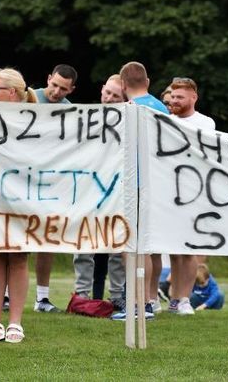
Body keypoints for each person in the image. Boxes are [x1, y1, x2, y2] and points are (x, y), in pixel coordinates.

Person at [111, 61, 169, 321]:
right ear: (147, 82)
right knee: (144, 245)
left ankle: (139, 304)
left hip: (132, 184)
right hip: (155, 183)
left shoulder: (128, 110)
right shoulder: (161, 107)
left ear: (123, 85)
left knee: (133, 247)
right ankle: (146, 302)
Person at [0, 68, 38, 343]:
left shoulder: (38, 122)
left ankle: (15, 321)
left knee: (18, 257)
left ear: (13, 93)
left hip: (25, 199)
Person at [72, 74, 127, 310]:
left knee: (117, 245)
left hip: (115, 189)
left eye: (116, 96)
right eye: (108, 93)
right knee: (84, 242)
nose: (110, 98)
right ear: (102, 90)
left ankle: (117, 294)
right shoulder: (86, 117)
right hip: (87, 188)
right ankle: (82, 294)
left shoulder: (128, 120)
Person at [31, 64, 78, 313]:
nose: (56, 91)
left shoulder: (69, 111)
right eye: (54, 84)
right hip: (19, 177)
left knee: (46, 239)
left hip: (50, 182)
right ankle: (6, 295)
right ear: (48, 79)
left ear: (71, 89)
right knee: (10, 238)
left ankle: (42, 297)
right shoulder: (27, 97)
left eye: (63, 88)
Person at [167, 77, 215, 316]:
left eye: (180, 97)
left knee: (187, 249)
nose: (175, 101)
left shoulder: (205, 123)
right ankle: (174, 298)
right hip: (168, 190)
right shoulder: (165, 120)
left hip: (193, 191)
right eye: (173, 96)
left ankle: (184, 297)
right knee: (172, 249)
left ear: (193, 97)